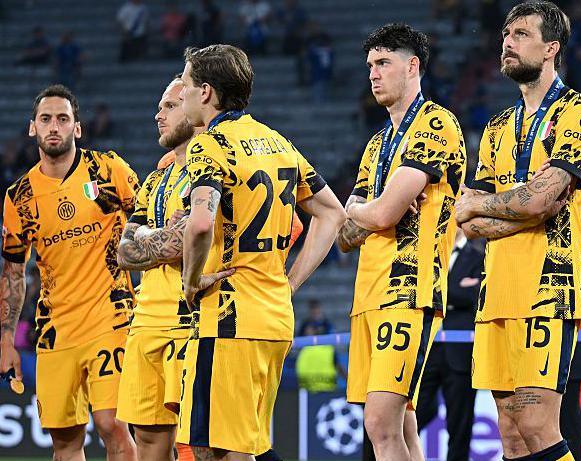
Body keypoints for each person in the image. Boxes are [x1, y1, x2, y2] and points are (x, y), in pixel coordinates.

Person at [176, 44, 345, 459]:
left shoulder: (208, 145)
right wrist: (290, 283)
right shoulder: (278, 142)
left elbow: (201, 223)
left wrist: (191, 279)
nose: (181, 93)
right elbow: (333, 213)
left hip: (230, 317)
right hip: (274, 317)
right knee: (234, 445)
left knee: (227, 450)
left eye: (186, 84)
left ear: (206, 92)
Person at [454, 2, 581, 460]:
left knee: (538, 425)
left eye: (521, 34)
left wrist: (501, 204)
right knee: (511, 433)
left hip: (548, 288)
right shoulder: (497, 126)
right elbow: (468, 220)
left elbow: (537, 201)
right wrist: (523, 207)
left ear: (551, 47)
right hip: (496, 290)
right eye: (506, 34)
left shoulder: (579, 113)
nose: (508, 42)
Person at [336, 23, 466, 461]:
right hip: (368, 294)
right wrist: (368, 208)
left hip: (409, 290)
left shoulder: (435, 124)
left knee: (380, 423)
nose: (373, 73)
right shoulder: (377, 144)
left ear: (412, 67)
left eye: (383, 63)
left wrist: (366, 208)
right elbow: (345, 237)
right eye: (370, 65)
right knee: (402, 426)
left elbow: (380, 215)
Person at [0, 84, 139, 460]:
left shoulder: (109, 170)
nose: (54, 126)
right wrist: (6, 339)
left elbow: (148, 222)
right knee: (64, 441)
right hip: (55, 330)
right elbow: (13, 271)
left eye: (63, 119)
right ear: (33, 127)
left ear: (77, 128)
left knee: (112, 424)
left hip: (111, 317)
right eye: (46, 119)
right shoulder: (20, 197)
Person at [114, 75, 197, 461]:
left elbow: (186, 243)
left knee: (197, 442)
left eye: (169, 106)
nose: (158, 115)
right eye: (159, 107)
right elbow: (124, 252)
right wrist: (163, 236)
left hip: (190, 319)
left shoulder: (209, 173)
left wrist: (151, 238)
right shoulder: (155, 180)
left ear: (195, 107)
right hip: (146, 320)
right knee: (147, 438)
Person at [415, 228, 483, 461]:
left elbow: (475, 296)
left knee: (460, 423)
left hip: (461, 353)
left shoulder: (479, 257)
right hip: (428, 349)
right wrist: (457, 288)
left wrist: (442, 292)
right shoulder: (428, 256)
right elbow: (420, 292)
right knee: (414, 413)